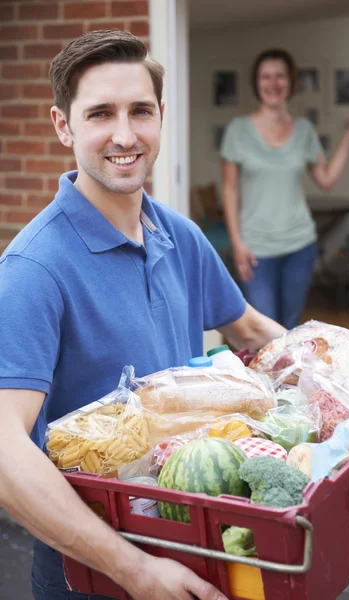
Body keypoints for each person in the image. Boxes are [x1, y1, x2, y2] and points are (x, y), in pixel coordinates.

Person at [0, 30, 286, 600]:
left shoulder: (179, 234)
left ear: (161, 116)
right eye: (101, 114)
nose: (125, 135)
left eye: (140, 111)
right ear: (64, 127)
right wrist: (133, 571)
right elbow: (5, 452)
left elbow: (252, 329)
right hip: (92, 574)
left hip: (195, 546)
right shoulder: (32, 269)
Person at [221, 48, 349, 330]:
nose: (273, 83)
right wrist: (236, 242)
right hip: (256, 249)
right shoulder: (238, 130)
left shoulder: (305, 130)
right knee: (264, 331)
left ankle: (289, 377)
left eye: (280, 76)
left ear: (291, 81)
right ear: (256, 83)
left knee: (291, 328)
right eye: (265, 77)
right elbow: (230, 189)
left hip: (299, 245)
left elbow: (327, 179)